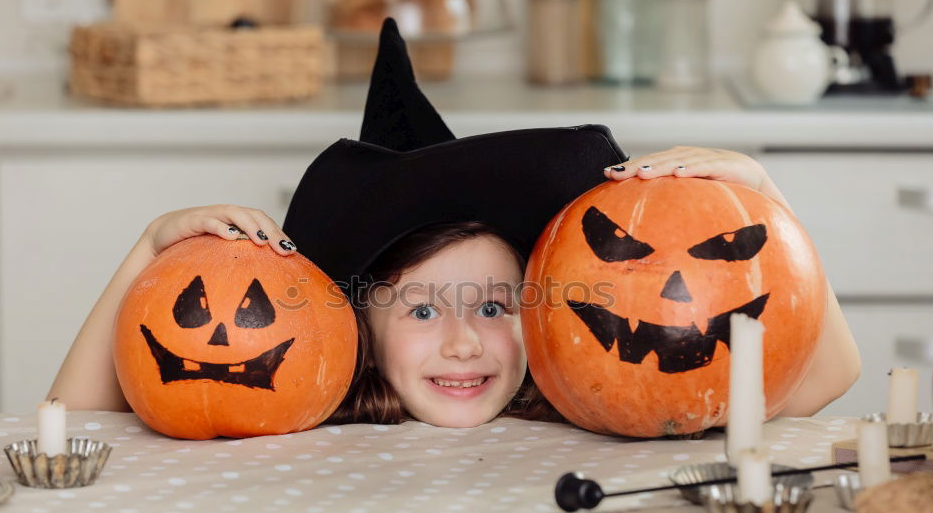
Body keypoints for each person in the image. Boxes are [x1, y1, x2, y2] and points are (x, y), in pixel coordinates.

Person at [47, 21, 860, 429]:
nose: (465, 342)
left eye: (495, 307)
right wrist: (149, 249)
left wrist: (763, 198)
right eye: (424, 310)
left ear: (543, 314)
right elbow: (78, 422)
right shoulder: (310, 415)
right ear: (359, 328)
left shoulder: (584, 405)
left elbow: (823, 377)